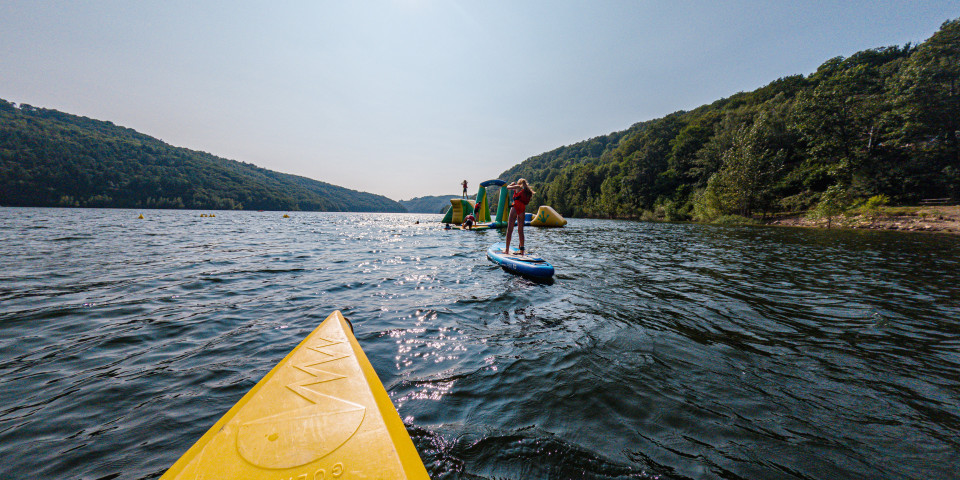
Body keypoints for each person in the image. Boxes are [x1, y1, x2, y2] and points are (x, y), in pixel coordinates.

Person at [503, 178, 534, 255]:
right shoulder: (527, 191)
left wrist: (512, 184)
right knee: (520, 231)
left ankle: (507, 250)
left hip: (515, 207)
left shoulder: (518, 187)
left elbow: (507, 187)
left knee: (510, 229)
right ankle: (522, 251)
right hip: (522, 208)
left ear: (519, 183)